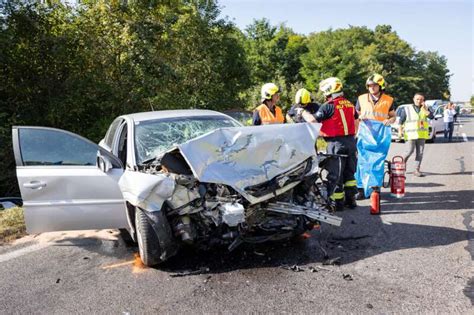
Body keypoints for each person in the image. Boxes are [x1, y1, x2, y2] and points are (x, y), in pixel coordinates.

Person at [315, 77, 358, 211]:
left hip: (335, 144)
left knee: (335, 175)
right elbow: (357, 120)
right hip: (351, 142)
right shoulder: (350, 104)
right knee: (349, 175)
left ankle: (338, 204)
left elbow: (313, 121)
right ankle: (351, 201)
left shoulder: (328, 106)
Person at [355, 73, 396, 199]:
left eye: (374, 85)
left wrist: (390, 121)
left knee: (377, 161)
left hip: (380, 135)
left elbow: (393, 116)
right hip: (365, 134)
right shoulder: (361, 98)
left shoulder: (388, 100)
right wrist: (359, 118)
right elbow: (356, 115)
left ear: (380, 86)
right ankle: (360, 189)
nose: (372, 87)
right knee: (362, 161)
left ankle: (375, 188)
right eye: (370, 85)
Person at [398, 93, 434, 177]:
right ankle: (400, 166)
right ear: (413, 99)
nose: (419, 101)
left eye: (421, 99)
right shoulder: (407, 109)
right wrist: (400, 131)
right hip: (410, 135)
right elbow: (401, 121)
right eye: (417, 99)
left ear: (423, 101)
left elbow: (432, 117)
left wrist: (425, 110)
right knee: (409, 151)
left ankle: (416, 170)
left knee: (420, 153)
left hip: (421, 135)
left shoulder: (426, 108)